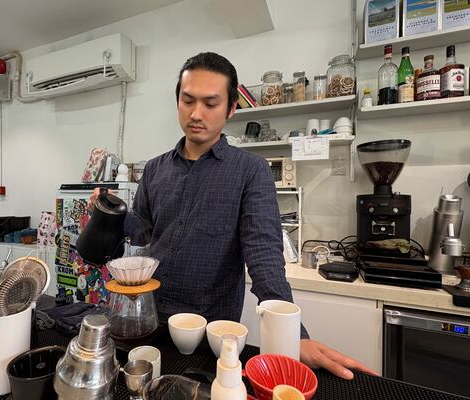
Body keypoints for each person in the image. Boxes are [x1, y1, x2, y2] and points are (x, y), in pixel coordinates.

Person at [90, 52, 375, 380]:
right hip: (151, 317)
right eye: (188, 101)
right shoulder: (154, 169)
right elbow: (142, 233)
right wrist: (110, 215)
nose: (196, 113)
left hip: (214, 327)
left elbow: (264, 255)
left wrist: (293, 334)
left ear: (231, 109)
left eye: (210, 103)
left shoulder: (251, 171)